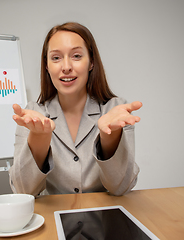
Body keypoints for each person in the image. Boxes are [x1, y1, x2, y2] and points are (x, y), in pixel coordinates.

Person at [9, 22, 142, 196]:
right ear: (47, 66)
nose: (66, 67)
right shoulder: (33, 115)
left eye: (76, 56)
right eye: (56, 58)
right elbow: (22, 191)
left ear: (91, 62)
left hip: (103, 218)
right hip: (53, 217)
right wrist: (39, 138)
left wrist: (110, 138)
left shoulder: (115, 111)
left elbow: (121, 187)